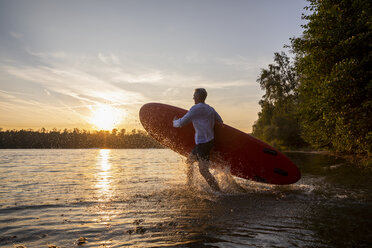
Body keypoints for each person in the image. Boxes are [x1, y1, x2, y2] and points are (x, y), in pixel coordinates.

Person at [173, 88, 223, 191]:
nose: (193, 98)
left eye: (194, 96)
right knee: (189, 161)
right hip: (207, 142)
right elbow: (220, 121)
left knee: (203, 171)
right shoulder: (210, 109)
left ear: (198, 97)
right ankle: (190, 186)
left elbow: (182, 122)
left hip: (203, 143)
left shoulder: (195, 108)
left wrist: (174, 122)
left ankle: (218, 192)